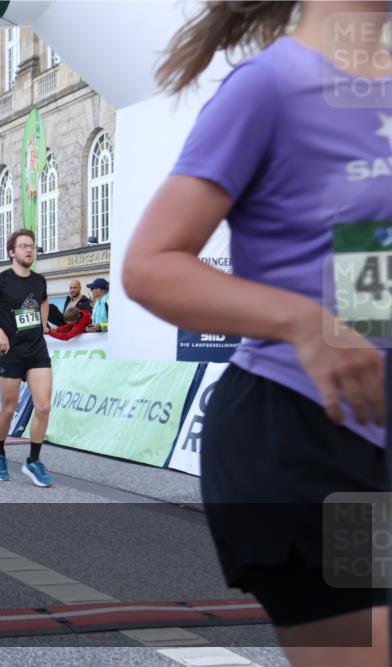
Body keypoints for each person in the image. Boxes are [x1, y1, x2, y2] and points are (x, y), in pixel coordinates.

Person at [123, 2, 389, 663]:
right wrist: (304, 322)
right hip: (308, 435)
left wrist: (360, 322)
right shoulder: (269, 86)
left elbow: (361, 256)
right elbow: (151, 266)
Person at [0, 229, 53, 488]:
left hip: (36, 350)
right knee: (8, 408)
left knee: (43, 407)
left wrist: (43, 323)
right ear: (11, 252)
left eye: (32, 246)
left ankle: (33, 460)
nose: (29, 249)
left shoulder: (39, 281)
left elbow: (44, 301)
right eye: (24, 246)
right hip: (10, 353)